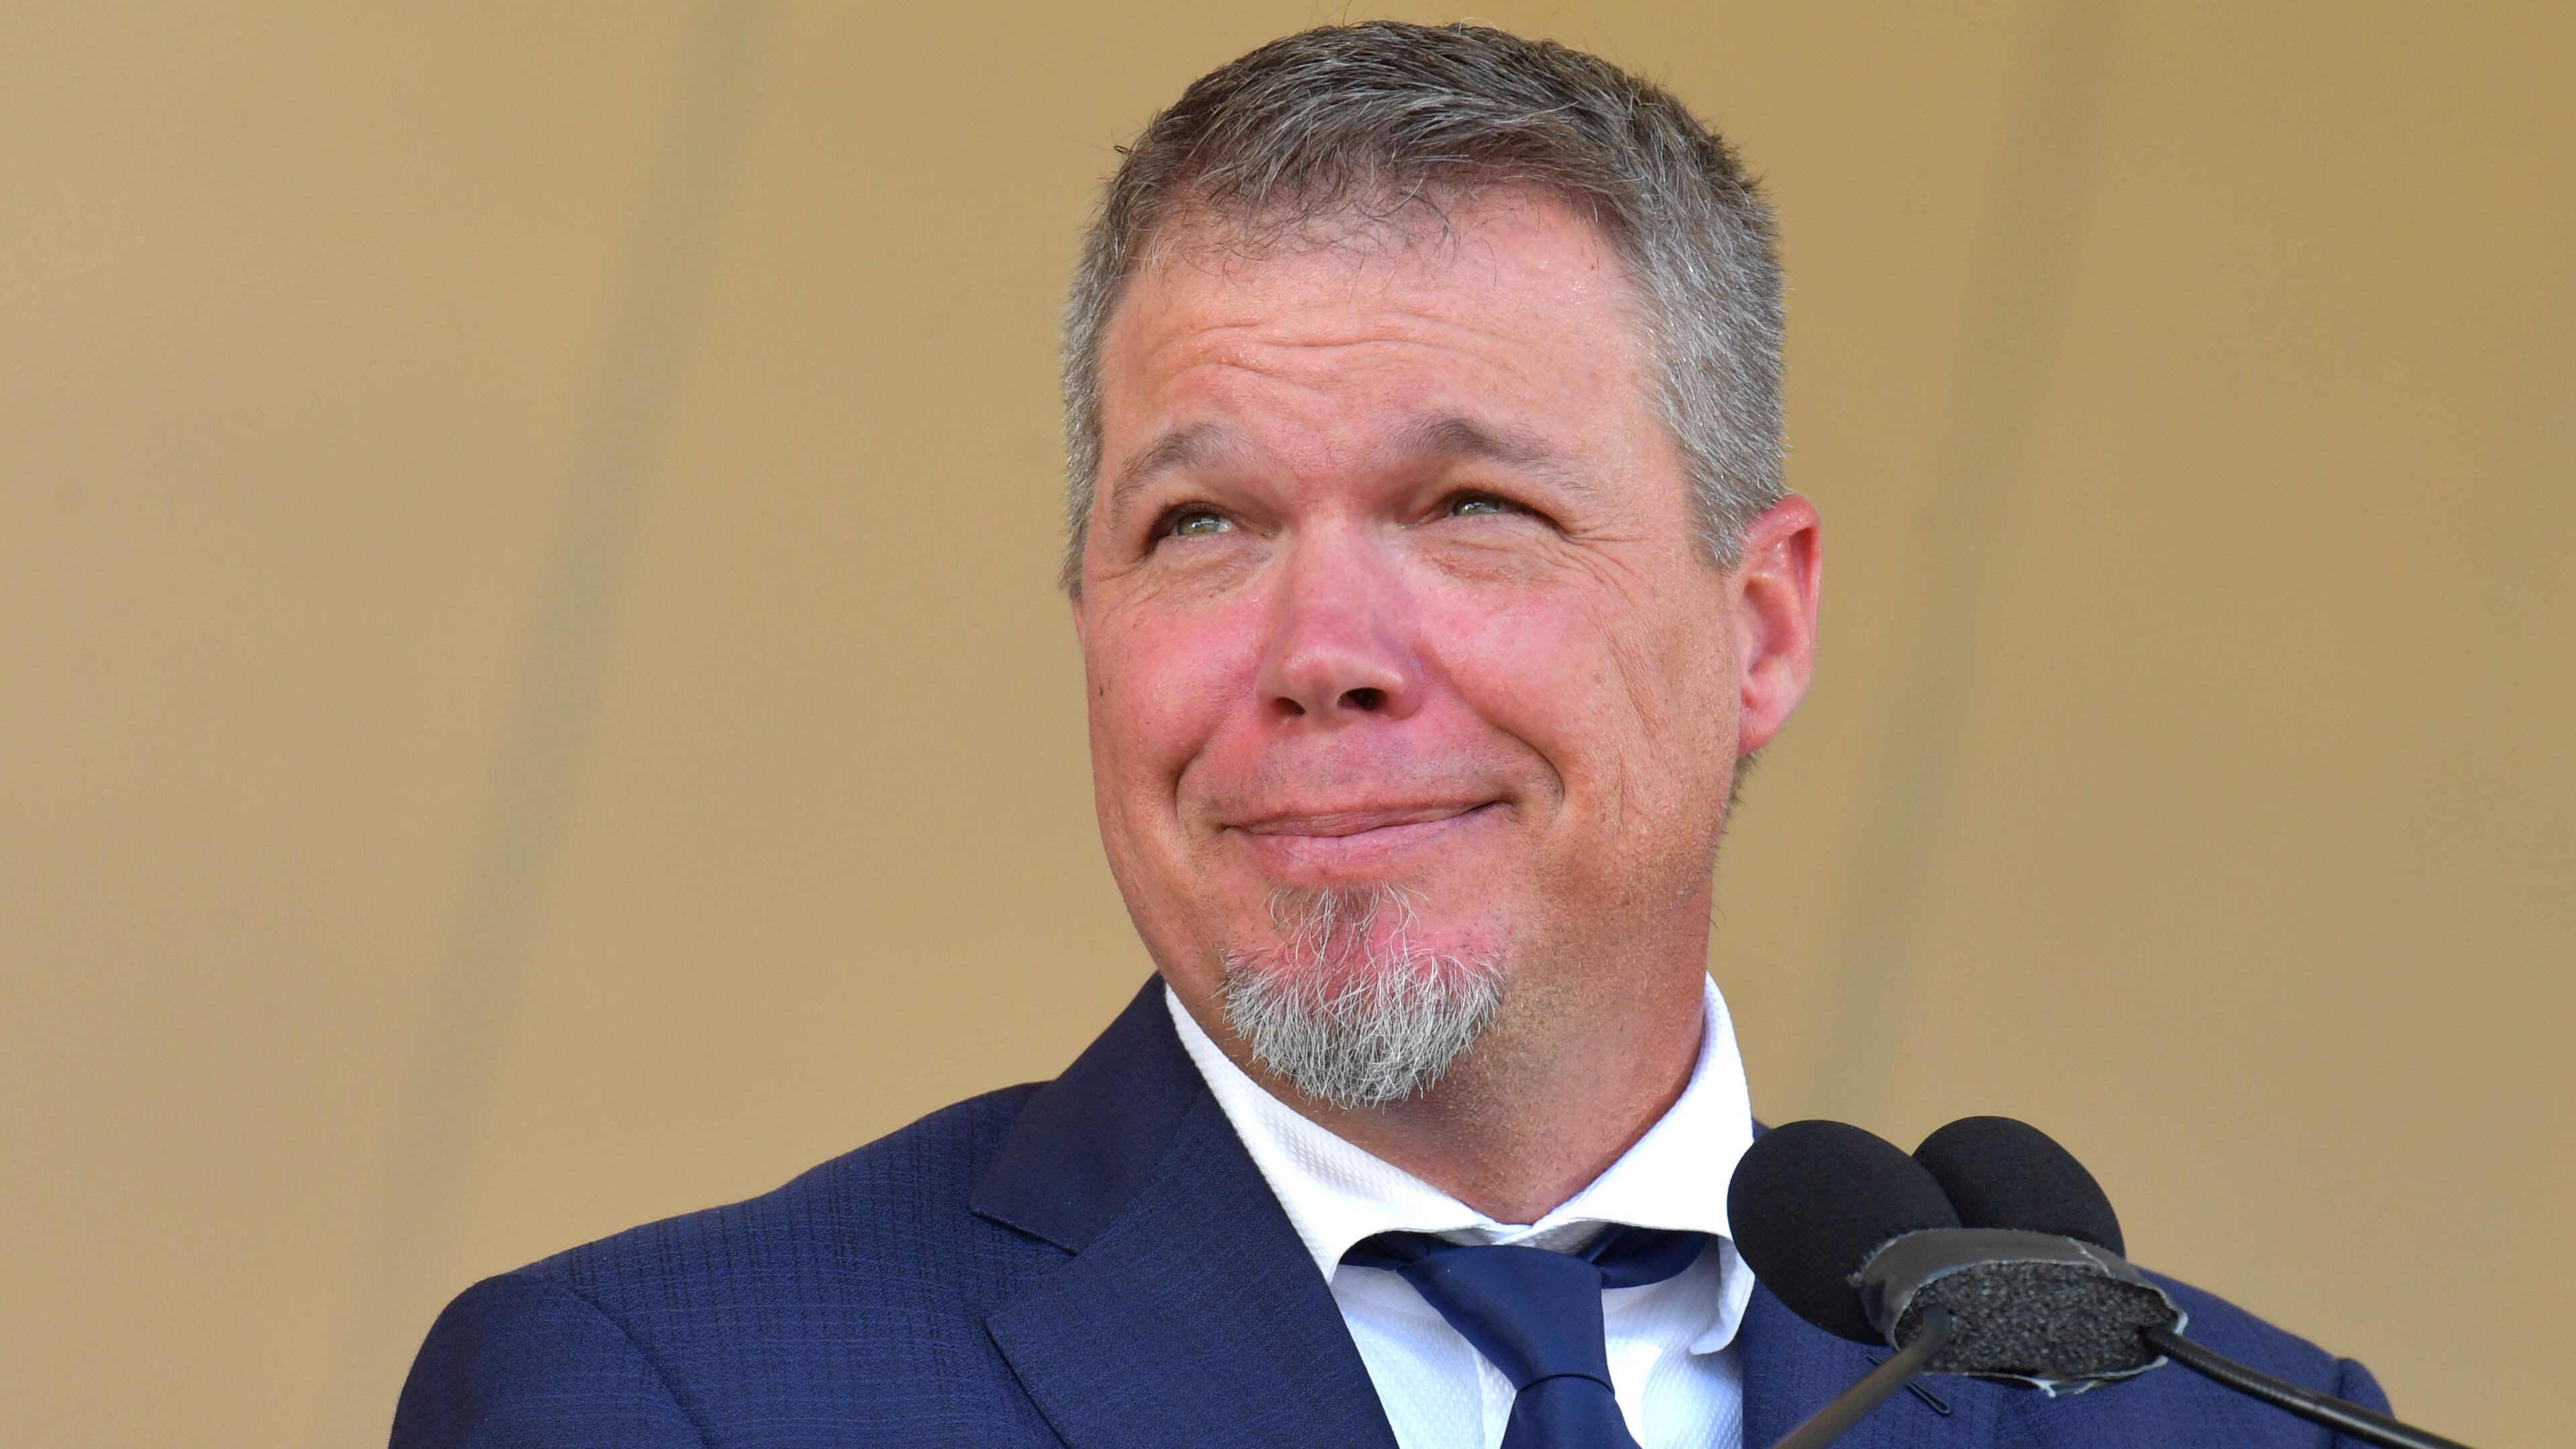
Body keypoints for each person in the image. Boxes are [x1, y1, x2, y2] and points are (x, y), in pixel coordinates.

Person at [392, 22, 2390, 1448]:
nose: (1322, 652)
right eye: (1203, 524)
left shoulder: (2233, 1426)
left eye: (1470, 509)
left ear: (1762, 626)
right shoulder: (666, 1394)